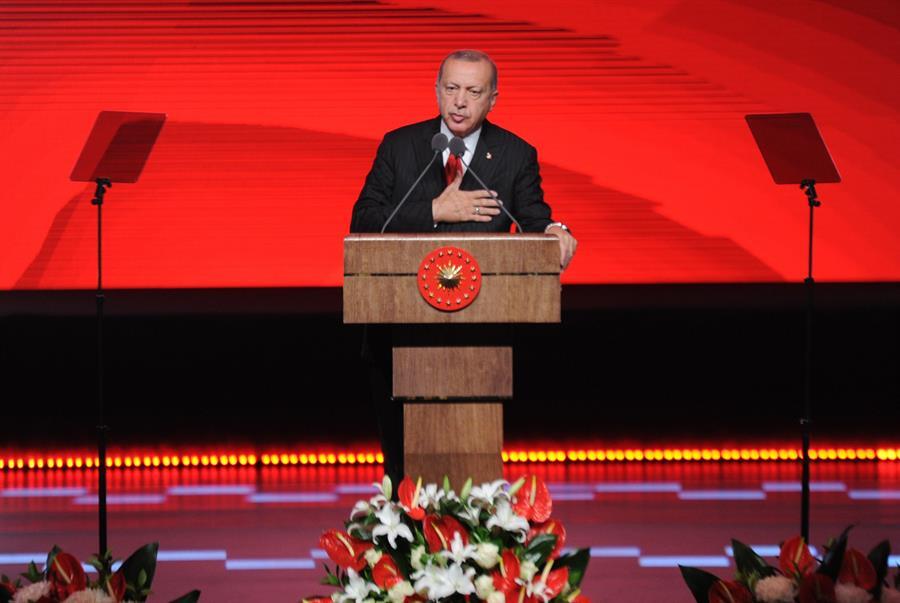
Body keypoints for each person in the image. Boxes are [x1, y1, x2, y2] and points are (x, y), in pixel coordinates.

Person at [350, 50, 577, 484]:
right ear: (437, 90)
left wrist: (555, 230)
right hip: (396, 333)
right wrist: (434, 209)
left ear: (492, 99)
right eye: (451, 89)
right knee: (402, 469)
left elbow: (534, 219)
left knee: (475, 467)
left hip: (480, 340)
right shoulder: (400, 146)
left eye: (473, 92)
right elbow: (364, 220)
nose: (459, 102)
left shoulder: (514, 154)